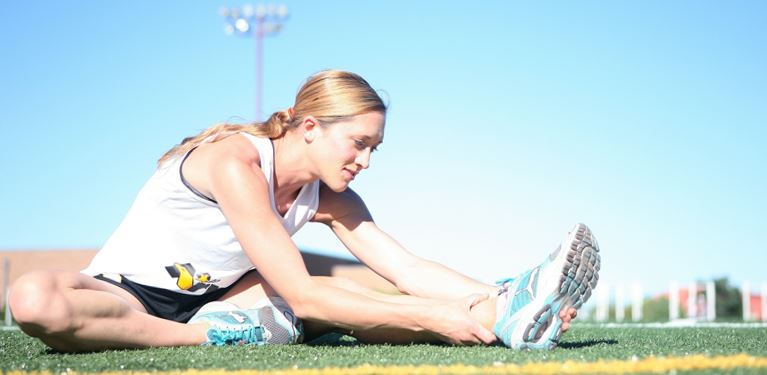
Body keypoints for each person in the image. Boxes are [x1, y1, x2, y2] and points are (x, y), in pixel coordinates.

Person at [9, 70, 600, 352]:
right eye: (360, 144)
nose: (366, 161)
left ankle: (510, 310)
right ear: (311, 128)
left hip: (226, 300)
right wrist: (434, 318)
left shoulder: (331, 197)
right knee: (32, 302)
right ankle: (209, 341)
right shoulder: (232, 163)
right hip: (126, 295)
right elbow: (305, 292)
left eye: (375, 149)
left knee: (329, 301)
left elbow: (406, 269)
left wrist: (496, 299)